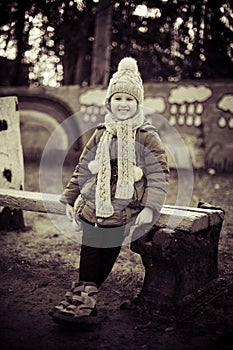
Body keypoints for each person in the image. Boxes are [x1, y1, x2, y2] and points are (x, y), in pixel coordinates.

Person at [49, 57, 170, 324]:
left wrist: (150, 208)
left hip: (124, 207)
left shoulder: (147, 136)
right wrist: (70, 198)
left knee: (107, 248)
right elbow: (83, 167)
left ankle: (84, 296)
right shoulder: (101, 133)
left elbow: (159, 174)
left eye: (129, 100)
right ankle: (85, 299)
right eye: (118, 99)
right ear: (109, 103)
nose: (123, 104)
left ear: (138, 103)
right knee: (91, 247)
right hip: (94, 203)